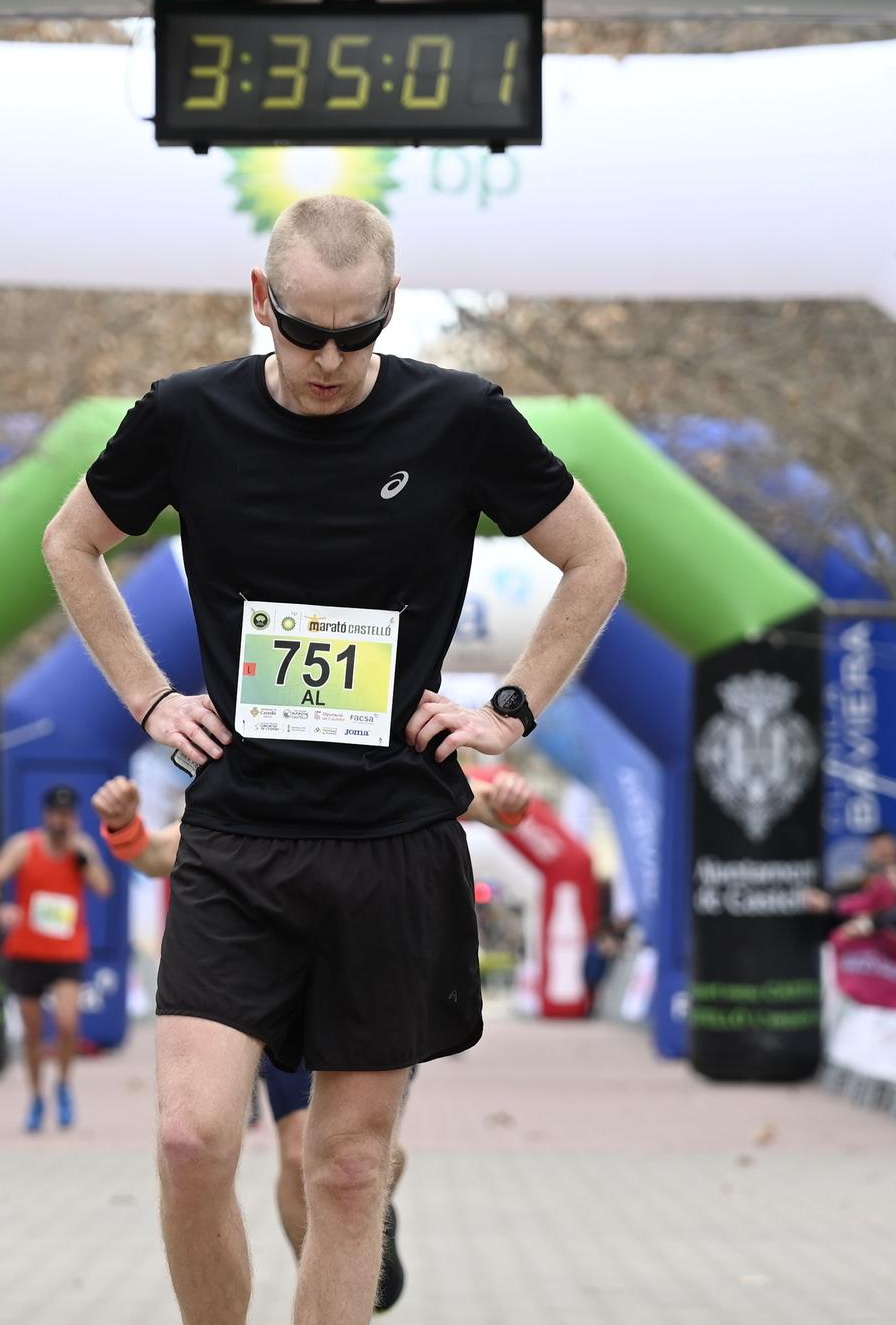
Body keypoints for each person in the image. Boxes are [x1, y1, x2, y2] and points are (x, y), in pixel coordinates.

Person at [44, 192, 626, 1325]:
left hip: (392, 840)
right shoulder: (185, 416)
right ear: (260, 300)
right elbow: (72, 543)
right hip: (238, 832)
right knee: (189, 1135)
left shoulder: (459, 419)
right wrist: (149, 695)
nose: (326, 357)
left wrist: (507, 709)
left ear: (390, 309)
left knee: (349, 1169)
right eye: (302, 329)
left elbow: (594, 561)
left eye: (356, 333)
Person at [90, 765, 535, 1314]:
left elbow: (486, 801)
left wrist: (509, 799)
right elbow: (159, 854)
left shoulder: (383, 742)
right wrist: (124, 825)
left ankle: (365, 1225)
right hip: (279, 983)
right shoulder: (254, 770)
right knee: (299, 1158)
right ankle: (331, 1272)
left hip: (371, 955)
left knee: (356, 1163)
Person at [0, 784, 113, 1133]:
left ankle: (64, 1085)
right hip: (27, 951)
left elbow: (103, 887)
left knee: (68, 1023)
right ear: (46, 815)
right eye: (56, 814)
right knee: (33, 1032)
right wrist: (0, 909)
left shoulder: (81, 848)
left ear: (75, 818)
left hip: (67, 951)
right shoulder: (25, 846)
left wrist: (84, 856)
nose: (61, 821)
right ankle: (37, 1096)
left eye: (67, 815)